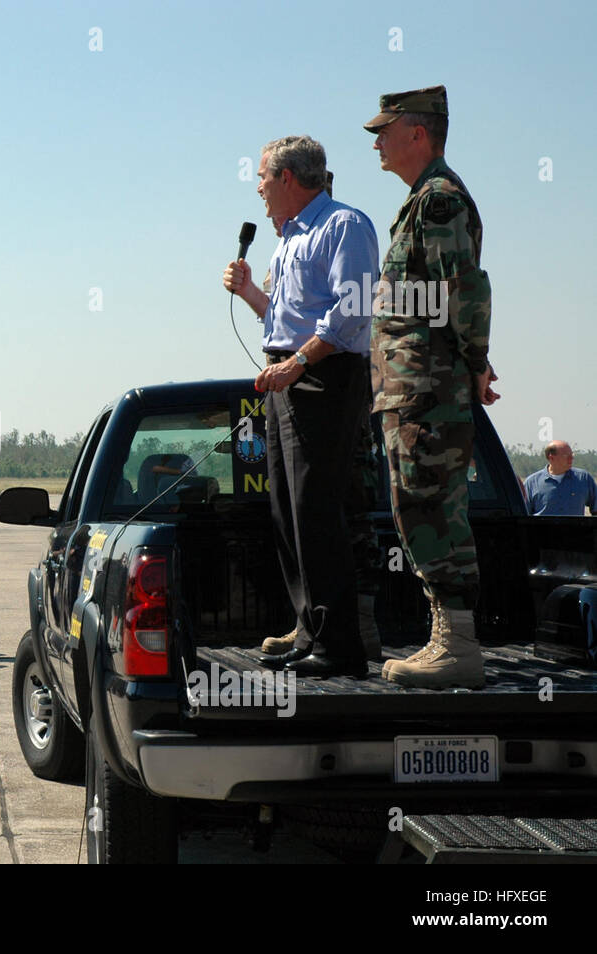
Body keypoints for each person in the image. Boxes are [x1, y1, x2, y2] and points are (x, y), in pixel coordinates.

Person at [223, 135, 379, 678]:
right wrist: (250, 295)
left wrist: (296, 365)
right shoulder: (287, 239)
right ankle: (310, 631)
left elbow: (353, 309)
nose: (259, 190)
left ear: (288, 177)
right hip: (289, 376)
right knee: (287, 510)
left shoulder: (344, 225)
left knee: (315, 507)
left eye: (262, 178)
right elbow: (287, 320)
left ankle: (340, 648)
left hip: (323, 378)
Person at [365, 86, 498, 690]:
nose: (376, 142)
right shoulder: (423, 201)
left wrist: (475, 362)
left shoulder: (439, 200)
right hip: (414, 389)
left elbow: (463, 294)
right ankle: (447, 639)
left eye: (384, 130)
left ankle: (458, 646)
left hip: (429, 390)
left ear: (418, 133)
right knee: (419, 505)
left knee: (429, 508)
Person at [524, 442, 596, 516]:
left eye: (572, 455)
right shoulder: (531, 483)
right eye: (566, 455)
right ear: (551, 458)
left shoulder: (583, 479)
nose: (571, 458)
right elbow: (523, 515)